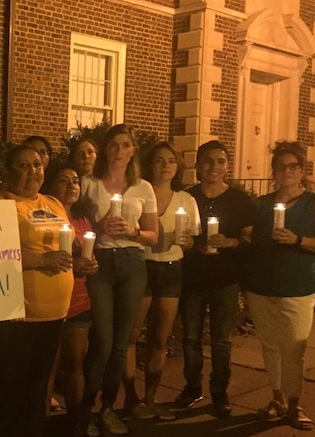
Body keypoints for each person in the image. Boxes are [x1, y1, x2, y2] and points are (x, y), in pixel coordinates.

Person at [244, 141, 315, 430]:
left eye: (293, 166)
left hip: (297, 285)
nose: (287, 171)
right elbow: (253, 239)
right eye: (281, 166)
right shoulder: (262, 204)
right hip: (261, 285)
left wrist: (298, 239)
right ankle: (277, 399)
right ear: (273, 171)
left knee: (294, 346)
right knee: (270, 345)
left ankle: (295, 404)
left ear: (302, 170)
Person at [0, 145, 74, 437]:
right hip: (16, 317)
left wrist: (80, 262)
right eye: (23, 166)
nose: (33, 171)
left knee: (38, 389)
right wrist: (41, 260)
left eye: (37, 164)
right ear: (7, 172)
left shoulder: (53, 204)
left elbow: (63, 247)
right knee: (9, 389)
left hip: (53, 315)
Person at [80, 124, 158, 436]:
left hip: (132, 263)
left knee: (122, 342)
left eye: (125, 145)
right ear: (105, 149)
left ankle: (107, 408)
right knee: (102, 340)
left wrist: (133, 232)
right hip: (100, 264)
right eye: (113, 144)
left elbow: (153, 236)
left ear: (133, 151)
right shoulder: (89, 183)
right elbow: (78, 224)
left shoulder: (143, 188)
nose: (119, 150)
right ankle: (85, 409)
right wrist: (99, 226)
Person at [175, 140, 255, 416]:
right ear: (197, 166)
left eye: (220, 161)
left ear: (227, 166)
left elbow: (249, 238)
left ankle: (220, 392)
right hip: (193, 279)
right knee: (190, 338)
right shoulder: (187, 198)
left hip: (225, 279)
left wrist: (230, 242)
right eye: (208, 161)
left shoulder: (239, 200)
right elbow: (181, 233)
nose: (214, 166)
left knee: (222, 340)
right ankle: (192, 387)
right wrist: (190, 244)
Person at [121, 141, 200, 421]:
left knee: (159, 338)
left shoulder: (186, 201)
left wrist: (187, 241)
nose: (165, 165)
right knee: (130, 336)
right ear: (149, 164)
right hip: (140, 267)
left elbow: (191, 240)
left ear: (177, 167)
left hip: (170, 269)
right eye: (158, 160)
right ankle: (130, 399)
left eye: (171, 160)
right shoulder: (137, 193)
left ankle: (150, 398)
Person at [41, 163, 100, 437]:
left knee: (75, 364)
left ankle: (77, 422)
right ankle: (40, 423)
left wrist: (90, 265)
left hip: (78, 300)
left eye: (75, 180)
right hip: (50, 300)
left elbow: (88, 256)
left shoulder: (83, 221)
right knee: (47, 368)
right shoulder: (41, 217)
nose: (71, 185)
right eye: (63, 180)